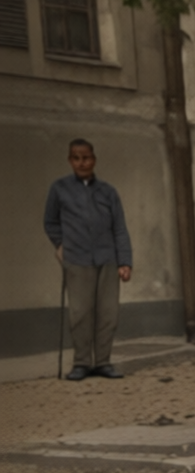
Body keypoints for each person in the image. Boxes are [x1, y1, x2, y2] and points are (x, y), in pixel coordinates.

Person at [44, 138, 132, 380]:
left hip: (107, 259)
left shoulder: (108, 192)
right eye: (76, 158)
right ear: (70, 160)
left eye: (86, 158)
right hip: (76, 259)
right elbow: (50, 222)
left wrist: (125, 261)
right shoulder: (59, 189)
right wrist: (61, 247)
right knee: (80, 313)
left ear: (93, 159)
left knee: (108, 313)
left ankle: (103, 362)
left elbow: (120, 228)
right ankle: (81, 363)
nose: (81, 162)